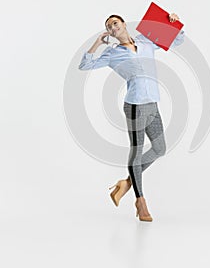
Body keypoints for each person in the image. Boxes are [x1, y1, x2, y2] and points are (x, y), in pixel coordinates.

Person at [78, 12, 185, 221]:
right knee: (136, 152)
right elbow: (85, 65)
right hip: (135, 106)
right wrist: (97, 43)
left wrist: (173, 23)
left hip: (153, 104)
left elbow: (178, 39)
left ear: (124, 24)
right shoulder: (112, 53)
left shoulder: (146, 41)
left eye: (115, 23)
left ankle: (126, 182)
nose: (112, 28)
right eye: (109, 27)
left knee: (160, 148)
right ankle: (140, 201)